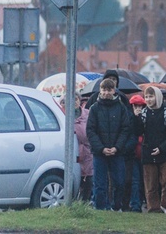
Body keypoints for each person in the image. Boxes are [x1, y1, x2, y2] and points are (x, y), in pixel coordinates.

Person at [86, 77, 133, 211]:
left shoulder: (121, 108)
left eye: (109, 89)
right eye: (104, 89)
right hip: (99, 152)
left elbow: (125, 129)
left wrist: (116, 147)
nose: (106, 92)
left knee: (119, 182)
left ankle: (115, 207)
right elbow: (90, 130)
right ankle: (101, 208)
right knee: (100, 184)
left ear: (114, 91)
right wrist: (101, 148)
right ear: (100, 90)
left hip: (116, 152)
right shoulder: (94, 108)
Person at [133, 86, 166, 214]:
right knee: (150, 185)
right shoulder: (143, 114)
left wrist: (162, 148)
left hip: (165, 154)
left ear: (157, 97)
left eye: (151, 96)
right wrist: (136, 118)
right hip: (148, 153)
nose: (148, 99)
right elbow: (138, 132)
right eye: (146, 97)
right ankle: (154, 209)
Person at [59, 93, 93, 203]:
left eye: (76, 98)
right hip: (73, 153)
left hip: (87, 153)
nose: (74, 101)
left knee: (88, 180)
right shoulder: (62, 116)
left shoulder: (88, 114)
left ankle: (85, 202)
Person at [127, 94, 147, 212]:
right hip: (133, 154)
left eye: (141, 106)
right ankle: (135, 205)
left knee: (145, 181)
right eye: (136, 106)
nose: (138, 108)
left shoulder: (146, 118)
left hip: (144, 154)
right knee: (135, 180)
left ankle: (142, 202)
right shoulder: (129, 118)